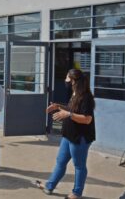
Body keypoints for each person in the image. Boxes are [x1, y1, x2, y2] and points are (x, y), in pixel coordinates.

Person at [36, 69, 96, 199]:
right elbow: (71, 110)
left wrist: (68, 114)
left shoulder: (86, 97)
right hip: (68, 135)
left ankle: (76, 193)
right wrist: (58, 107)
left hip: (80, 137)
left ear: (74, 80)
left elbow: (87, 119)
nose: (65, 81)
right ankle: (49, 186)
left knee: (79, 166)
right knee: (60, 162)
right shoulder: (75, 93)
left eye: (67, 79)